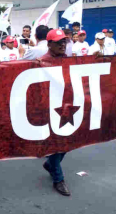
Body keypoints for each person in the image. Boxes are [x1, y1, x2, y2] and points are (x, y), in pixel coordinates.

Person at [36, 29, 71, 196]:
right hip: (49, 109)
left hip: (67, 107)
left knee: (68, 142)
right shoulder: (42, 62)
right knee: (58, 143)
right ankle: (58, 179)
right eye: (58, 42)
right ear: (49, 44)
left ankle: (50, 164)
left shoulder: (67, 59)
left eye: (64, 41)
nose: (62, 44)